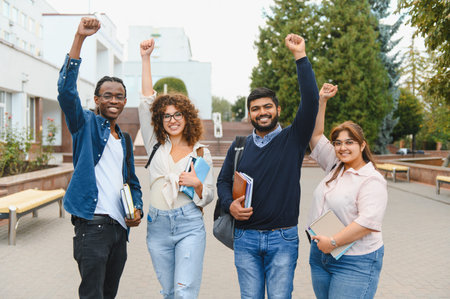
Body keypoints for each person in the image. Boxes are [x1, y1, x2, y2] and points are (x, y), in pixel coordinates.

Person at [216, 33, 319, 299]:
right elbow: (223, 182)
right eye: (255, 108)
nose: (262, 112)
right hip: (245, 239)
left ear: (278, 110)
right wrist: (230, 205)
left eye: (267, 107)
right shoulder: (239, 145)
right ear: (249, 113)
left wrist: (300, 56)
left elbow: (310, 101)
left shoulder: (293, 139)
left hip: (282, 239)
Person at [57, 17, 143, 299]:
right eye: (107, 96)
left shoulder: (125, 140)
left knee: (109, 293)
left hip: (119, 228)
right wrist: (79, 38)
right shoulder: (84, 124)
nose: (114, 101)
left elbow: (131, 181)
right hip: (92, 225)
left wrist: (137, 208)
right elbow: (66, 92)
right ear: (96, 99)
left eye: (119, 96)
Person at [138, 38, 214, 298]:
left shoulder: (202, 152)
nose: (172, 120)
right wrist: (146, 59)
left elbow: (209, 195)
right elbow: (147, 100)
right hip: (157, 224)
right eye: (167, 115)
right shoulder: (155, 145)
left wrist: (197, 184)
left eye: (178, 114)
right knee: (169, 292)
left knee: (185, 293)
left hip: (189, 224)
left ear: (187, 117)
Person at [307, 83, 388, 299]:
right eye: (338, 143)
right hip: (320, 255)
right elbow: (315, 135)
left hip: (355, 261)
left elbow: (367, 223)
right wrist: (322, 101)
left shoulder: (372, 180)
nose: (342, 147)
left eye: (349, 142)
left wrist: (332, 242)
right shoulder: (335, 164)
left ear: (362, 145)